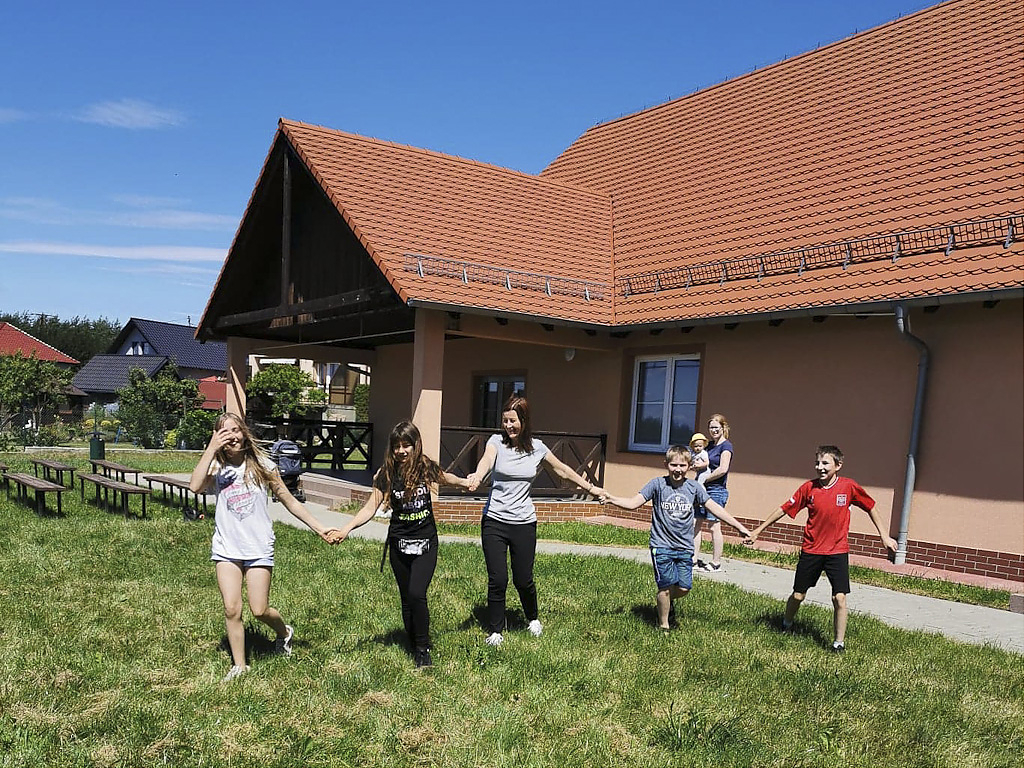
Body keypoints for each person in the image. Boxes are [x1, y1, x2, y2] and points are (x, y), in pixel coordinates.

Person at [189, 413, 340, 682]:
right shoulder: (216, 467)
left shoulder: (263, 465)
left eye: (235, 430)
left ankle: (284, 632)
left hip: (258, 546)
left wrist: (319, 528)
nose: (231, 436)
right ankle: (240, 666)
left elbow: (289, 501)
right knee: (231, 609)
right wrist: (211, 449)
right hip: (226, 547)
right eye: (224, 432)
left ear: (244, 433)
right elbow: (195, 486)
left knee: (259, 609)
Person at [468, 394, 605, 646]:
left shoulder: (537, 448)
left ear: (524, 421)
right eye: (505, 421)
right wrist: (477, 475)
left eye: (513, 421)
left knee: (523, 579)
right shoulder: (496, 442)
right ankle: (496, 631)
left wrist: (591, 488)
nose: (508, 426)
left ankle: (532, 618)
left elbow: (562, 470)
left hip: (524, 522)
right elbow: (486, 460)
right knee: (498, 579)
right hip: (494, 520)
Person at [336, 421, 473, 668]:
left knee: (417, 593)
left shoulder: (425, 467)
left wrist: (465, 483)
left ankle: (423, 648)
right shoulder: (387, 474)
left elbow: (446, 478)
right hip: (399, 544)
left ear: (415, 445)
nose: (401, 451)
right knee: (406, 598)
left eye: (406, 445)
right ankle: (412, 640)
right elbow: (370, 507)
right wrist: (346, 528)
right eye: (397, 446)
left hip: (426, 543)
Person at [744, 445, 898, 652]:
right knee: (798, 595)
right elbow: (783, 509)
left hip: (837, 551)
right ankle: (786, 624)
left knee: (839, 598)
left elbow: (871, 507)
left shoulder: (849, 487)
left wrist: (884, 536)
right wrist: (757, 531)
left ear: (838, 465)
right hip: (811, 551)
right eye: (817, 463)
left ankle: (838, 644)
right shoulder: (809, 488)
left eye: (825, 463)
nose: (820, 467)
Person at [604, 445, 752, 631]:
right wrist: (611, 499)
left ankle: (664, 601)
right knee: (665, 587)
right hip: (661, 545)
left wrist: (739, 527)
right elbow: (634, 503)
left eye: (682, 465)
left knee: (684, 588)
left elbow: (715, 508)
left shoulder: (694, 487)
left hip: (684, 547)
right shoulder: (657, 484)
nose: (678, 469)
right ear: (666, 464)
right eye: (673, 465)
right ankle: (664, 626)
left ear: (689, 466)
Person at [693, 414, 733, 573]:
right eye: (711, 428)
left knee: (713, 525)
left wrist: (704, 479)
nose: (713, 430)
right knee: (696, 523)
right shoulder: (708, 446)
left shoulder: (726, 446)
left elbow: (723, 469)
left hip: (716, 489)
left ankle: (716, 563)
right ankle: (693, 560)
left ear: (723, 427)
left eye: (716, 427)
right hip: (701, 488)